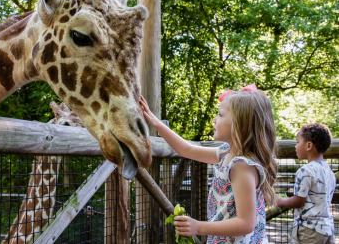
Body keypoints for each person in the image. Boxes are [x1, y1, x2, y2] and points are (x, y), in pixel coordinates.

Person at [140, 85, 278, 243]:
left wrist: (198, 227)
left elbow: (246, 223)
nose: (214, 120)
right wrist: (156, 123)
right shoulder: (227, 152)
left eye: (220, 115)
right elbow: (186, 149)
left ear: (240, 124)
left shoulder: (242, 166)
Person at [276, 123, 336, 244]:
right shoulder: (329, 171)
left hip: (309, 230)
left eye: (297, 142)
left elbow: (299, 201)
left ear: (308, 145)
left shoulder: (305, 170)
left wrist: (279, 200)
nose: (295, 146)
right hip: (327, 228)